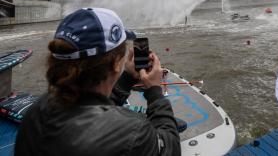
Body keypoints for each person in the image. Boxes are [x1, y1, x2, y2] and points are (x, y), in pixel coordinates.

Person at [15, 8, 180, 156]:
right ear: (116, 63)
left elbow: (92, 113)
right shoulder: (132, 132)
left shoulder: (37, 111)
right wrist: (155, 92)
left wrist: (128, 78)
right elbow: (171, 147)